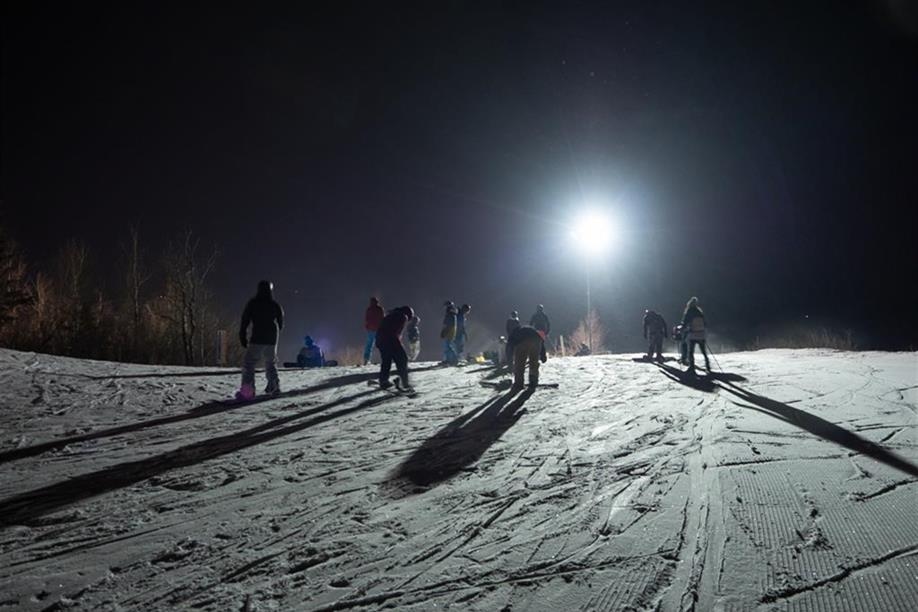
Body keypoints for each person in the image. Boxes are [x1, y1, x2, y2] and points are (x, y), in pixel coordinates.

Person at [237, 280, 284, 399]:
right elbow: (281, 320)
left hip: (258, 336)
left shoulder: (253, 303)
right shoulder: (274, 304)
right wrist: (278, 328)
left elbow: (245, 319)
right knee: (270, 362)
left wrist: (242, 334)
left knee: (249, 363)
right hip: (272, 336)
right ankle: (274, 386)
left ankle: (248, 391)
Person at [376, 305, 414, 390]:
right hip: (390, 339)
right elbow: (395, 332)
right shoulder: (403, 317)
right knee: (402, 359)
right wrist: (398, 345)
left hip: (380, 340)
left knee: (386, 360)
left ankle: (383, 381)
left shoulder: (392, 314)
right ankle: (405, 383)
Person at [507, 325, 548, 390]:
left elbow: (509, 347)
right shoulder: (532, 331)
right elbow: (541, 342)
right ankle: (533, 382)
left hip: (523, 342)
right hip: (536, 341)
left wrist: (509, 361)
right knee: (534, 363)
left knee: (519, 364)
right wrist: (543, 356)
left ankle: (519, 384)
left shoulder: (513, 334)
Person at [681, 296, 711, 372]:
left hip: (693, 334)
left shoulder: (689, 311)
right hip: (701, 333)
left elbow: (685, 322)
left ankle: (692, 367)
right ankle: (708, 365)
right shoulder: (699, 312)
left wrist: (683, 328)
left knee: (691, 351)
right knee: (704, 351)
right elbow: (705, 323)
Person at [363, 297, 384, 365]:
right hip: (378, 329)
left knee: (369, 345)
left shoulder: (369, 309)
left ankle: (366, 359)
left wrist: (367, 327)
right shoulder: (380, 309)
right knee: (381, 345)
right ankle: (384, 358)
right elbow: (382, 319)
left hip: (370, 330)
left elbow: (366, 319)